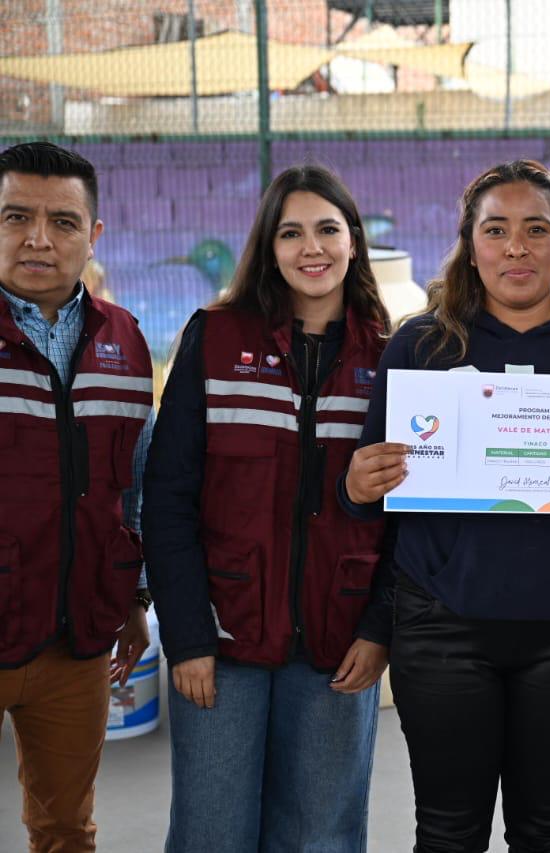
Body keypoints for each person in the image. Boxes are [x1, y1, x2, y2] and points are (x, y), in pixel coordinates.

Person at [340, 159, 550, 853]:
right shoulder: (420, 344)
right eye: (496, 230)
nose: (516, 247)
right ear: (470, 246)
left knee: (547, 829)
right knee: (449, 832)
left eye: (536, 229)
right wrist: (356, 485)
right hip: (441, 629)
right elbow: (372, 505)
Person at [143, 164, 391, 852]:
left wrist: (381, 626)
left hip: (340, 641)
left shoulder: (390, 354)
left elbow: (407, 516)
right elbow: (167, 497)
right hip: (222, 639)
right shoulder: (216, 338)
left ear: (353, 241)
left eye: (327, 229)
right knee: (212, 833)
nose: (311, 248)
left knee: (322, 836)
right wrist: (187, 636)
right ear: (268, 246)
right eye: (291, 233)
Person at [0, 141, 152, 852]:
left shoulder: (127, 341)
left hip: (77, 642)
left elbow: (131, 488)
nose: (38, 238)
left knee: (65, 831)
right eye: (16, 217)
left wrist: (134, 598)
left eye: (62, 222)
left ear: (92, 236)